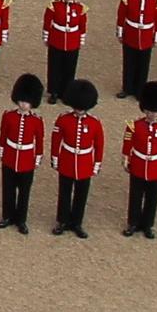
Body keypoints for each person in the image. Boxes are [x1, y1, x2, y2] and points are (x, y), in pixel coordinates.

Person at [49, 85, 105, 238]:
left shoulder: (94, 123)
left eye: (82, 107)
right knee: (64, 193)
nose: (79, 110)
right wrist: (55, 157)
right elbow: (56, 140)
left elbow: (99, 145)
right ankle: (62, 221)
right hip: (67, 159)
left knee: (81, 194)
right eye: (77, 107)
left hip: (85, 163)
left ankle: (77, 222)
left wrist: (97, 163)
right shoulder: (63, 120)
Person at [0, 77, 48, 234]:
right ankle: (7, 216)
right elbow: (3, 134)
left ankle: (21, 220)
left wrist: (38, 156)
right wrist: (2, 148)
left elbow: (39, 140)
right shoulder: (9, 116)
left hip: (26, 159)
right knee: (8, 189)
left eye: (27, 102)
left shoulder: (37, 121)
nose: (24, 104)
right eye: (22, 101)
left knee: (24, 192)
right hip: (11, 156)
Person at [121, 83, 157, 238]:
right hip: (138, 164)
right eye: (149, 110)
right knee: (135, 197)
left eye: (155, 111)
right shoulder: (134, 126)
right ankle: (133, 223)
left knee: (152, 199)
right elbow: (128, 144)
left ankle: (147, 225)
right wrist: (126, 159)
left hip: (156, 167)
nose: (151, 114)